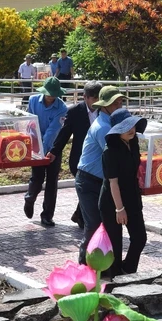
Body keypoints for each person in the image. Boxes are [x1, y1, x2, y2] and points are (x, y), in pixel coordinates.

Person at [75, 85, 126, 263]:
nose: (119, 106)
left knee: (107, 225)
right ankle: (83, 264)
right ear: (104, 105)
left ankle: (103, 264)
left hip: (102, 181)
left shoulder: (111, 123)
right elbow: (116, 154)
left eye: (120, 102)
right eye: (115, 103)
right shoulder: (103, 127)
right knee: (93, 225)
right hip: (88, 182)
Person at [99, 108, 148, 278]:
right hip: (112, 201)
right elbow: (113, 182)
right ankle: (114, 279)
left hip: (132, 195)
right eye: (125, 127)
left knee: (140, 237)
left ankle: (127, 270)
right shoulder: (110, 151)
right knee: (115, 244)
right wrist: (119, 209)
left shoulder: (133, 142)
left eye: (132, 125)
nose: (131, 130)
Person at [50, 81, 103, 229]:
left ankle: (79, 215)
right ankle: (84, 218)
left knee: (94, 188)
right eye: (94, 99)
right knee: (89, 187)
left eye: (99, 98)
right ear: (85, 97)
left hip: (98, 159)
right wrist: (54, 151)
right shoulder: (74, 112)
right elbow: (64, 134)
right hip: (79, 160)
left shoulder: (104, 110)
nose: (97, 102)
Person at [23, 77, 69, 227]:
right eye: (49, 94)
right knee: (37, 177)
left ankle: (47, 215)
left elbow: (53, 130)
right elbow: (29, 122)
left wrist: (46, 150)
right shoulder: (33, 101)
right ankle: (30, 198)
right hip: (36, 144)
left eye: (54, 94)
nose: (51, 97)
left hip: (54, 147)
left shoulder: (62, 108)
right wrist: (35, 146)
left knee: (52, 181)